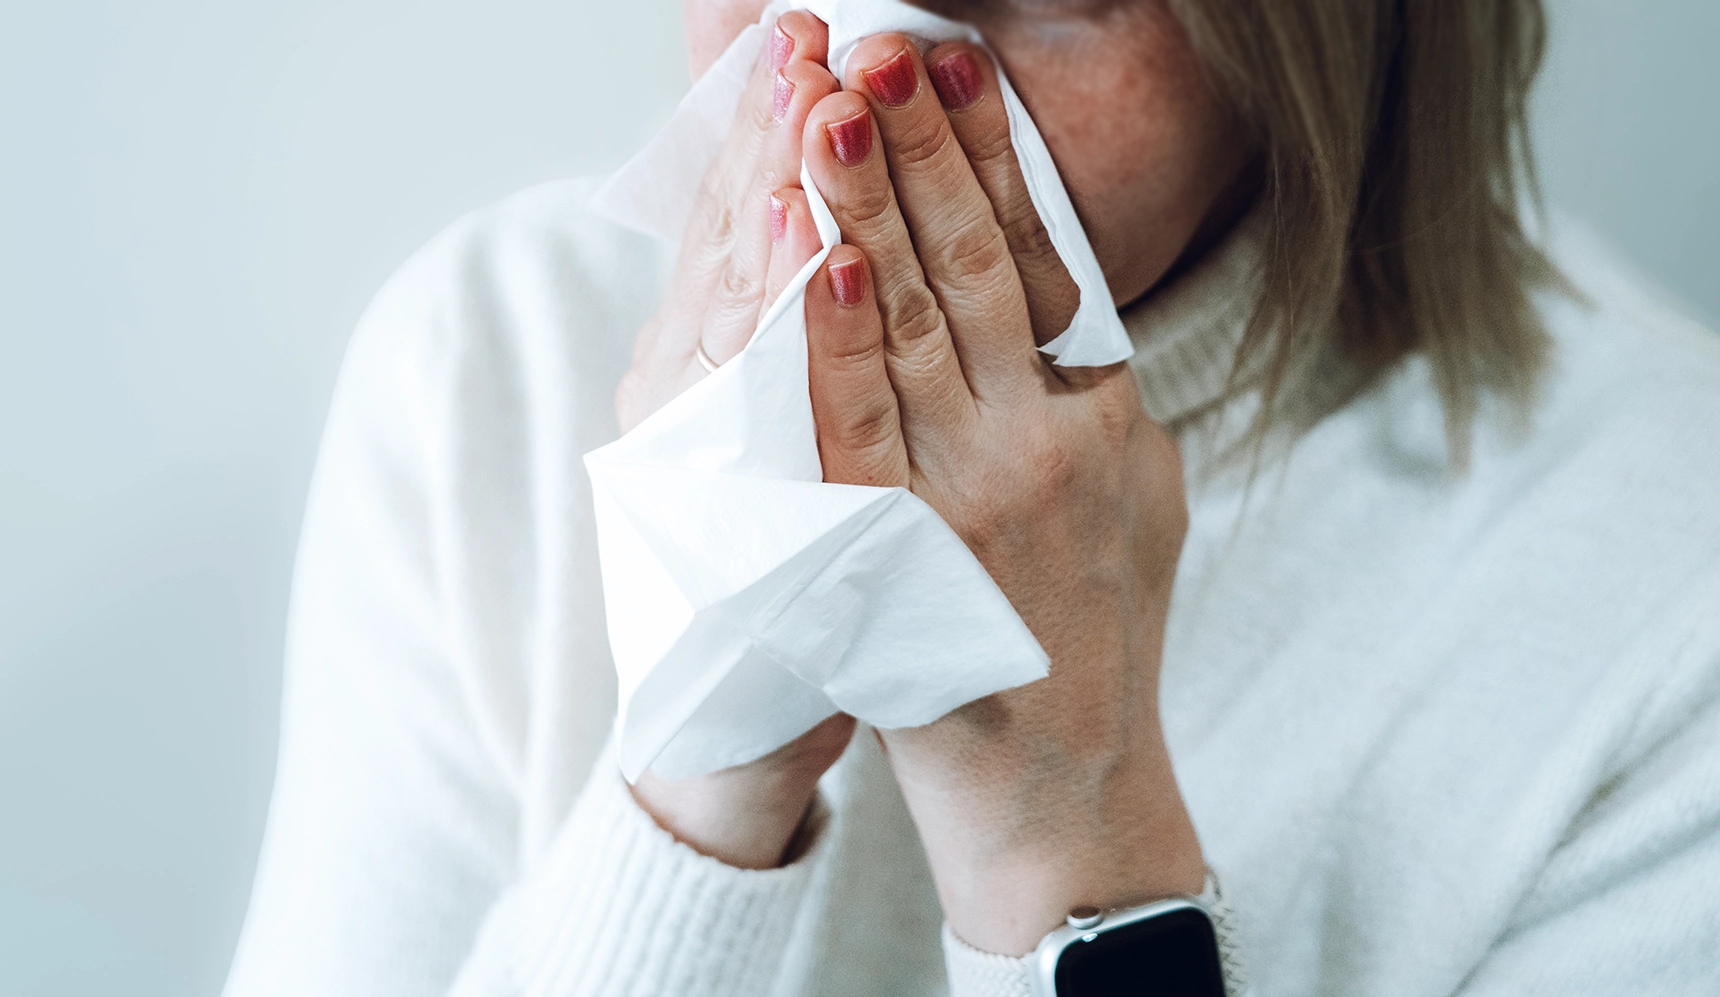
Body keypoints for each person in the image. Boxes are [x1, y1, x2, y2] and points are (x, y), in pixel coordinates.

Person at [222, 1, 1720, 995]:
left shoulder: (1665, 578)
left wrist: (1070, 819)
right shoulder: (497, 353)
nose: (851, 64)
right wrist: (695, 778)